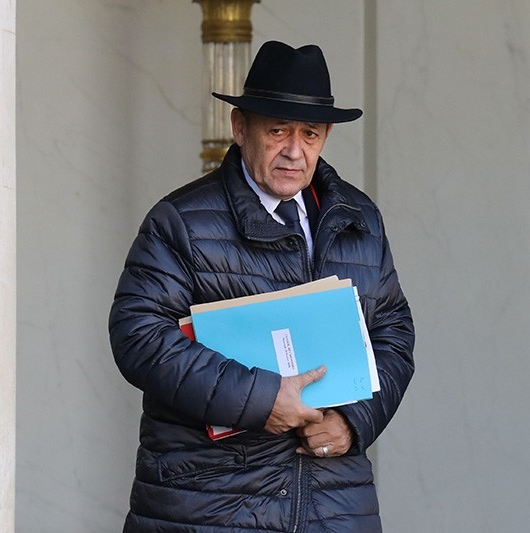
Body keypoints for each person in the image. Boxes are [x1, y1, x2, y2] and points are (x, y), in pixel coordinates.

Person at [109, 40, 415, 532]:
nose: (295, 150)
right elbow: (137, 334)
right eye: (278, 131)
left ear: (326, 136)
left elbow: (394, 331)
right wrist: (260, 399)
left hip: (333, 504)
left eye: (310, 134)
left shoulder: (361, 219)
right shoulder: (180, 220)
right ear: (239, 128)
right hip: (210, 505)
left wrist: (355, 421)